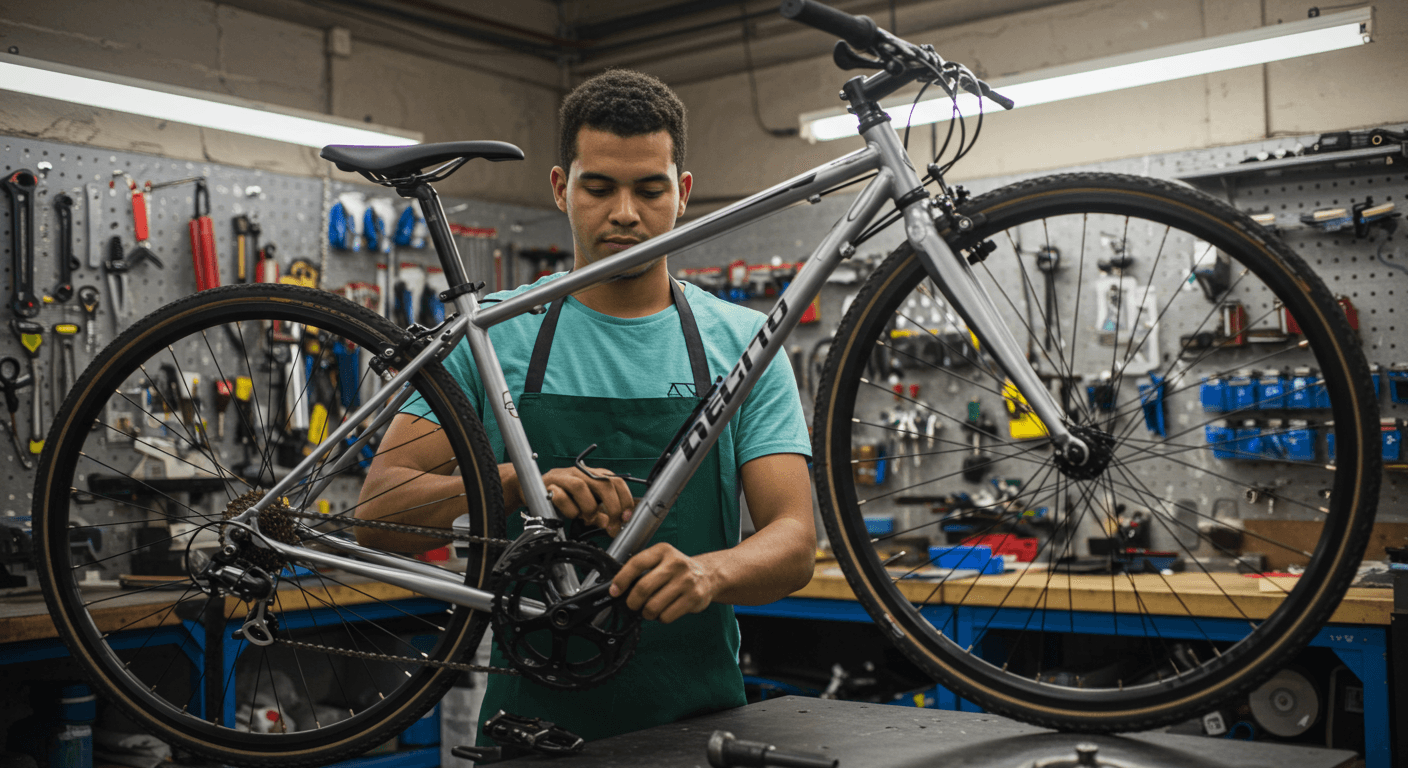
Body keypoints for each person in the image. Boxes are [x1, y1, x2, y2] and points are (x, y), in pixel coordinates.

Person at [355, 69, 816, 743]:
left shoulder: (745, 343)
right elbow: (377, 518)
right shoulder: (490, 337)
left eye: (649, 188)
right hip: (528, 733)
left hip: (697, 728)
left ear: (682, 194)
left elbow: (795, 542)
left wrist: (709, 573)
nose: (625, 212)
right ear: (560, 188)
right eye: (598, 187)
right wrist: (514, 484)